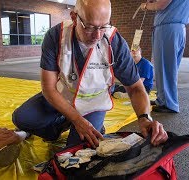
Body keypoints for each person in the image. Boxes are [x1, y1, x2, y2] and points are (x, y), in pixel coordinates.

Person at [12, 0, 168, 148]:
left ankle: (91, 123)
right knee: (22, 118)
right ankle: (60, 126)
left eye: (104, 26)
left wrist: (144, 118)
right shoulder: (55, 36)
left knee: (76, 150)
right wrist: (76, 119)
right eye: (90, 27)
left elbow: (135, 88)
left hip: (94, 102)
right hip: (63, 95)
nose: (98, 36)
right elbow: (48, 88)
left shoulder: (115, 42)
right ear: (74, 17)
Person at [140, 0, 189, 113]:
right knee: (168, 68)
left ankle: (168, 103)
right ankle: (163, 99)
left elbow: (161, 5)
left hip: (167, 28)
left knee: (165, 68)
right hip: (175, 28)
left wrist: (146, 6)